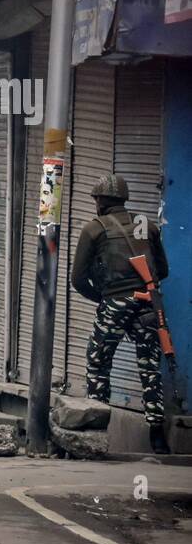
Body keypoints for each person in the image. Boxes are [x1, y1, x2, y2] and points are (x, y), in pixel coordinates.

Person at [71, 173, 171, 454]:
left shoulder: (95, 228)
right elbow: (162, 270)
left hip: (114, 303)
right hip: (148, 303)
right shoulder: (147, 225)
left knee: (98, 364)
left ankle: (96, 433)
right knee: (150, 367)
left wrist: (104, 299)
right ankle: (157, 437)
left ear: (100, 201)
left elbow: (77, 278)